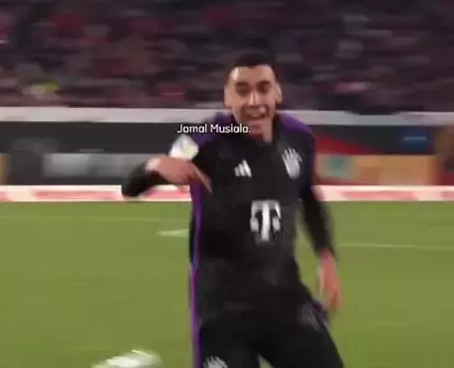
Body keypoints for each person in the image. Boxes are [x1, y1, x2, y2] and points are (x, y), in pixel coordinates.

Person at [122, 53, 343, 368]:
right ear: (227, 97)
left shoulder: (300, 138)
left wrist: (326, 256)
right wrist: (154, 165)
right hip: (222, 311)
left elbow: (308, 196)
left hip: (286, 300)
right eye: (242, 90)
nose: (254, 101)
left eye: (263, 88)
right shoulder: (203, 139)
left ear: (277, 92)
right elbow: (131, 187)